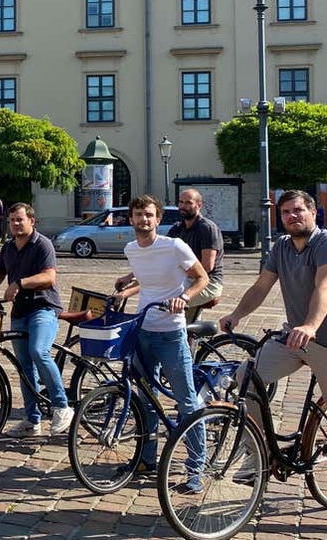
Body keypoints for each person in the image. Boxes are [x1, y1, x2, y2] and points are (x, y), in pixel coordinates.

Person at [218, 190, 327, 540]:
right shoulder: (282, 248)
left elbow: (326, 286)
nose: (292, 217)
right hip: (294, 341)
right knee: (246, 378)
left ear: (313, 212)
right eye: (286, 212)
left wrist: (312, 326)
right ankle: (258, 453)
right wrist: (237, 314)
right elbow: (261, 286)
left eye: (298, 210)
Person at [113, 194, 211, 486]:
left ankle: (196, 469)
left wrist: (184, 297)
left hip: (171, 332)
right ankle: (147, 460)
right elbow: (148, 278)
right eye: (139, 214)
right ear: (131, 218)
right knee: (146, 401)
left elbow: (201, 277)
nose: (144, 220)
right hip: (142, 331)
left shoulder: (174, 246)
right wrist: (126, 286)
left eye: (149, 215)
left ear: (158, 219)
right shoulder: (131, 249)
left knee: (186, 401)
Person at [0, 202, 72, 437]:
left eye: (20, 220)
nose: (16, 224)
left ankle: (62, 406)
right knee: (24, 367)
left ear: (32, 221)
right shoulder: (9, 247)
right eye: (12, 221)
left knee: (39, 351)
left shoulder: (42, 244)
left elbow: (49, 277)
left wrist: (20, 283)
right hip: (19, 312)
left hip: (43, 308)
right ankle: (32, 421)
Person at [164, 188, 225, 324]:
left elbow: (207, 267)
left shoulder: (207, 228)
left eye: (188, 203)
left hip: (208, 282)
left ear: (199, 205)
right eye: (181, 202)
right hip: (187, 280)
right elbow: (162, 254)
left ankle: (185, 340)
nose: (183, 206)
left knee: (169, 304)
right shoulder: (177, 228)